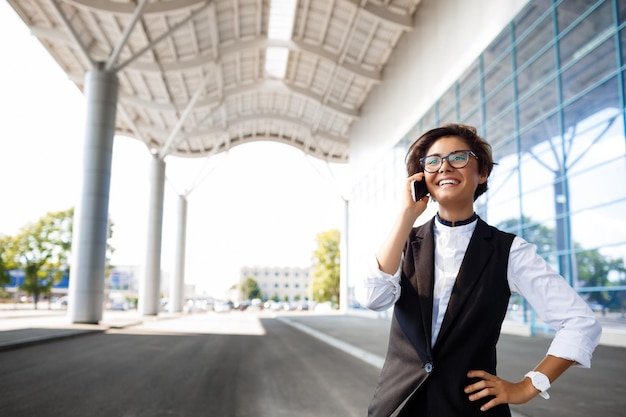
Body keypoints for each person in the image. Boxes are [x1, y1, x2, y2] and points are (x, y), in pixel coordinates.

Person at [356, 124, 602, 417]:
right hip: (397, 407)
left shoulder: (509, 250)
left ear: (482, 172)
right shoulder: (403, 243)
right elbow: (373, 298)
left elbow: (580, 322)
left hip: (471, 409)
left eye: (458, 158)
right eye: (433, 161)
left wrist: (527, 386)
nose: (444, 167)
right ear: (422, 178)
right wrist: (406, 216)